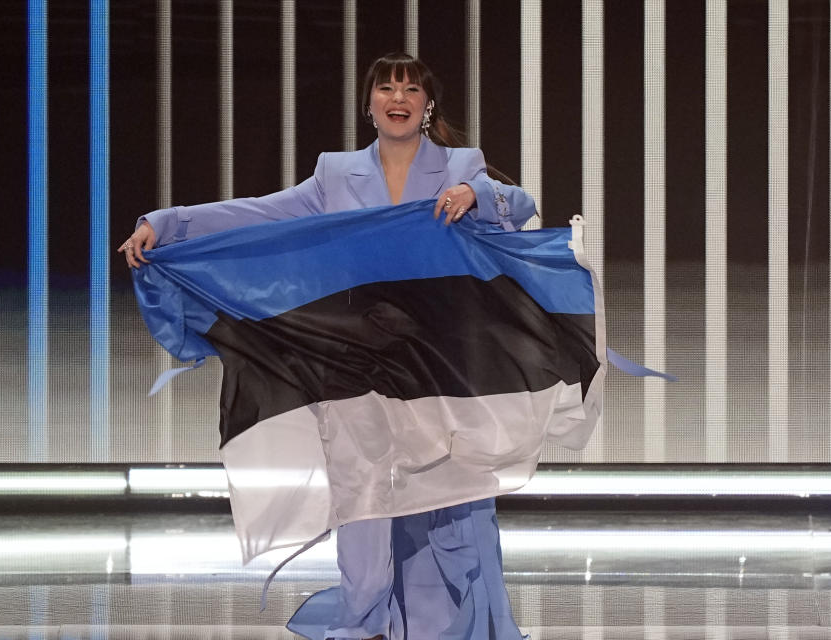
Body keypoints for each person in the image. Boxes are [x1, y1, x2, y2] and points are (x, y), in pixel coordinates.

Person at [120, 53, 538, 640]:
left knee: (453, 501)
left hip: (440, 364)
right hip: (356, 360)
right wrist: (166, 225)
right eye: (386, 88)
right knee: (363, 496)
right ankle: (364, 621)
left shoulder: (459, 166)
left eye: (411, 89)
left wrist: (476, 192)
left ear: (428, 105)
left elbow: (520, 206)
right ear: (369, 105)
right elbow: (260, 213)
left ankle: (449, 621)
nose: (398, 98)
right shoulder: (336, 174)